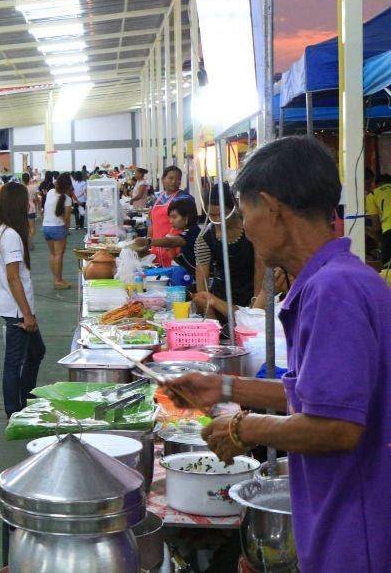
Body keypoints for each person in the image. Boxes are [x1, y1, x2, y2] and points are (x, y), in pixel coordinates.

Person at [165, 137, 391, 573]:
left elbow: (336, 426)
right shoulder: (340, 279)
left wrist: (243, 425)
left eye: (244, 211)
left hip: (357, 533)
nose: (244, 226)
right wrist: (222, 386)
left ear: (270, 207)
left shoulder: (334, 290)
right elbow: (313, 395)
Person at [0, 181, 45, 416]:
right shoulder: (10, 235)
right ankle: (15, 411)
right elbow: (14, 278)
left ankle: (27, 398)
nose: (30, 203)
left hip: (16, 307)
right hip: (16, 310)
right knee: (14, 362)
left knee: (36, 352)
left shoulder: (3, 230)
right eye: (27, 199)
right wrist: (27, 314)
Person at [194, 183, 263, 319]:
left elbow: (260, 267)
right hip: (220, 300)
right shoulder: (204, 238)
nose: (217, 220)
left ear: (234, 209)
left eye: (222, 214)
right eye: (212, 215)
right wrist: (210, 318)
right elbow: (202, 288)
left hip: (251, 298)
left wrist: (256, 304)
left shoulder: (252, 229)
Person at [148, 166, 192, 267]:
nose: (174, 182)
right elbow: (152, 223)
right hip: (156, 249)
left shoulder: (184, 198)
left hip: (175, 248)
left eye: (178, 179)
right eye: (171, 178)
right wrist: (148, 242)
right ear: (163, 179)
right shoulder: (157, 198)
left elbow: (189, 224)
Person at [42, 173, 73, 289]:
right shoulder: (67, 199)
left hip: (46, 227)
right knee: (59, 255)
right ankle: (59, 281)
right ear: (68, 185)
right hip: (58, 227)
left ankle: (56, 279)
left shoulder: (50, 192)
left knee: (53, 254)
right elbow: (66, 218)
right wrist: (67, 230)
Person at [365, 173, 391, 264]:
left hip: (389, 229)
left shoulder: (372, 195)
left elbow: (375, 227)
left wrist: (364, 230)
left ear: (375, 184)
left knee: (388, 269)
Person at [22, 172, 37, 249]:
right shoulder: (33, 187)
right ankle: (29, 242)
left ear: (22, 179)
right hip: (31, 208)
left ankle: (28, 242)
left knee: (25, 227)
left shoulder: (20, 188)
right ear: (29, 179)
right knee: (32, 227)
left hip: (22, 208)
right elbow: (36, 199)